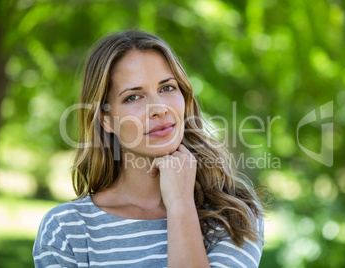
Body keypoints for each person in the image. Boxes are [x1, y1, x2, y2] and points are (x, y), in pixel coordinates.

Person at [33, 30, 266, 267]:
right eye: (133, 97)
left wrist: (180, 203)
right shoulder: (66, 230)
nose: (159, 109)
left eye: (167, 88)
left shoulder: (234, 215)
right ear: (106, 119)